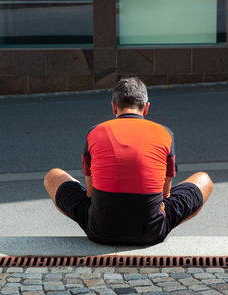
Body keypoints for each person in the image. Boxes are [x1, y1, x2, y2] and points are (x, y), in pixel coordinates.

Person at [44, 77, 213, 245]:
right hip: (151, 231)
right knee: (204, 179)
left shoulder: (94, 132)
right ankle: (162, 222)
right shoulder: (165, 133)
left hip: (101, 230)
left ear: (114, 107)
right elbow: (165, 194)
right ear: (146, 108)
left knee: (53, 176)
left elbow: (90, 193)